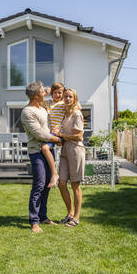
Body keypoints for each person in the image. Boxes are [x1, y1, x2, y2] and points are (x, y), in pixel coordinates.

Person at [21, 81, 61, 233]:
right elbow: (39, 134)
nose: (46, 92)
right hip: (36, 152)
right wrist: (57, 139)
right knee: (39, 184)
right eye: (43, 91)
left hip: (47, 150)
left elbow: (47, 128)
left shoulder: (42, 108)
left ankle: (43, 216)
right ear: (37, 95)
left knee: (47, 186)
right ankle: (34, 221)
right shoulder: (28, 111)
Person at [53, 88, 85, 227]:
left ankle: (76, 217)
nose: (67, 99)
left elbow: (79, 136)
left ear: (74, 99)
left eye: (70, 97)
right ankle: (70, 213)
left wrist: (62, 135)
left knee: (75, 185)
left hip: (76, 150)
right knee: (61, 183)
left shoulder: (77, 114)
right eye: (65, 96)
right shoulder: (64, 114)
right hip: (65, 150)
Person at [41, 82, 65, 188]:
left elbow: (78, 106)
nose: (58, 95)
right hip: (51, 132)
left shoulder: (65, 103)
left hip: (60, 132)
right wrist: (46, 93)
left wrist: (60, 128)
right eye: (55, 93)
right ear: (52, 93)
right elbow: (35, 101)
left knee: (45, 148)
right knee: (45, 149)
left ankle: (55, 174)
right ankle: (53, 173)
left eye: (60, 93)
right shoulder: (48, 103)